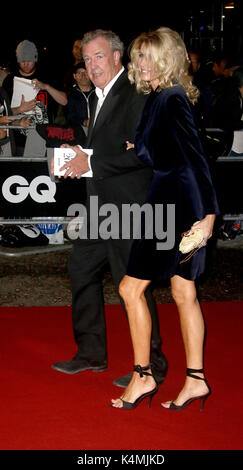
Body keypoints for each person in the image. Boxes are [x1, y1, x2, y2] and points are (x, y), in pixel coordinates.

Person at [51, 29, 168, 388]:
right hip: (100, 208)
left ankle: (154, 364)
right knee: (81, 268)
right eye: (86, 59)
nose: (91, 65)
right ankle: (90, 353)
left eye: (98, 56)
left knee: (131, 284)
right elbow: (108, 146)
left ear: (117, 57)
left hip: (129, 207)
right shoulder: (97, 96)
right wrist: (81, 157)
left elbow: (144, 153)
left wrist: (94, 162)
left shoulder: (135, 94)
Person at [110, 27, 219, 410]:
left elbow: (195, 159)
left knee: (130, 288)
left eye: (148, 56)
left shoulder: (170, 99)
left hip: (172, 207)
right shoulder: (160, 97)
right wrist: (139, 145)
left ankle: (142, 375)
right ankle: (195, 381)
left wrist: (207, 217)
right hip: (171, 201)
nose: (140, 64)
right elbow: (162, 150)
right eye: (138, 56)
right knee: (183, 292)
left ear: (167, 58)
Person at [2, 40, 67, 155]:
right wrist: (19, 109)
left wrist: (46, 87)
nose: (26, 64)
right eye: (22, 60)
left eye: (29, 60)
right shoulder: (9, 80)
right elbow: (3, 116)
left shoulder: (47, 76)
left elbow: (65, 101)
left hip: (45, 139)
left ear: (35, 59)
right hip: (17, 141)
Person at [64, 61, 95, 135]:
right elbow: (69, 116)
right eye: (79, 73)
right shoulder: (69, 95)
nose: (83, 75)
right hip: (77, 133)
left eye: (86, 72)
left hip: (97, 131)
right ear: (74, 76)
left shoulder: (99, 93)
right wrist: (84, 122)